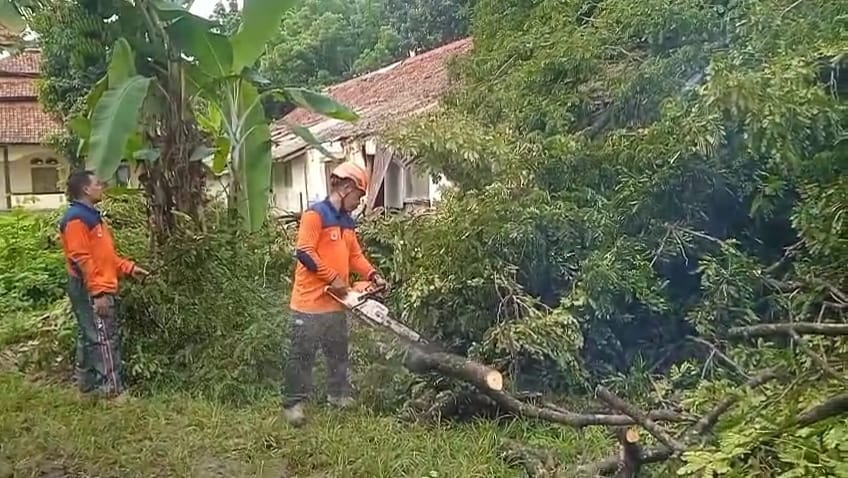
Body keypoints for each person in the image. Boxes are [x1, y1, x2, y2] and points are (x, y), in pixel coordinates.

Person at [283, 162, 387, 426]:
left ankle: (337, 395)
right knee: (301, 356)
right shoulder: (315, 215)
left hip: (336, 303)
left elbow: (355, 256)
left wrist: (372, 275)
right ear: (347, 187)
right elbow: (305, 251)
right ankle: (294, 404)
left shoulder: (347, 222)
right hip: (308, 303)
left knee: (338, 353)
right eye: (359, 196)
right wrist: (333, 279)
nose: (359, 201)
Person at [59, 170, 149, 401]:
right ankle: (112, 390)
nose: (103, 187)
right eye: (98, 184)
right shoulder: (77, 219)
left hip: (95, 283)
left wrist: (129, 268)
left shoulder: (91, 217)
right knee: (103, 337)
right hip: (90, 286)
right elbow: (80, 259)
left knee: (89, 335)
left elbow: (104, 257)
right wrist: (97, 292)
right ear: (86, 189)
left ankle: (86, 386)